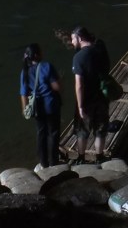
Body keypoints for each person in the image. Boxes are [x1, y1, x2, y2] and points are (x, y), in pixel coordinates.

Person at [70, 26, 110, 164]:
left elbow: (79, 85)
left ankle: (81, 158)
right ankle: (100, 157)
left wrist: (80, 106)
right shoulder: (99, 49)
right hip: (102, 96)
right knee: (100, 128)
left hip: (87, 100)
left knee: (82, 130)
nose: (72, 42)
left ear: (80, 38)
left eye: (73, 39)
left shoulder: (78, 57)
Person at [19, 43, 62, 169]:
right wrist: (60, 80)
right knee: (53, 133)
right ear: (37, 55)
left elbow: (23, 93)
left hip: (37, 108)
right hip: (51, 105)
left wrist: (24, 109)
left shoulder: (24, 71)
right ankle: (54, 162)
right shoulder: (47, 66)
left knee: (41, 133)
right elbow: (56, 87)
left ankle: (43, 163)